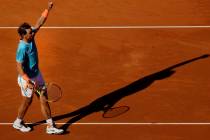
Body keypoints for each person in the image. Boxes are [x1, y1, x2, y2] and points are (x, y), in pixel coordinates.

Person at [13, 1, 64, 134]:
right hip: (26, 79)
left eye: (32, 32)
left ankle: (50, 126)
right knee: (27, 102)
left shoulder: (31, 35)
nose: (33, 33)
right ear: (24, 35)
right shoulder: (22, 48)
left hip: (37, 74)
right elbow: (18, 67)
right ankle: (18, 122)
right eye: (30, 33)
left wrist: (48, 9)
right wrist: (27, 81)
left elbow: (39, 22)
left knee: (43, 98)